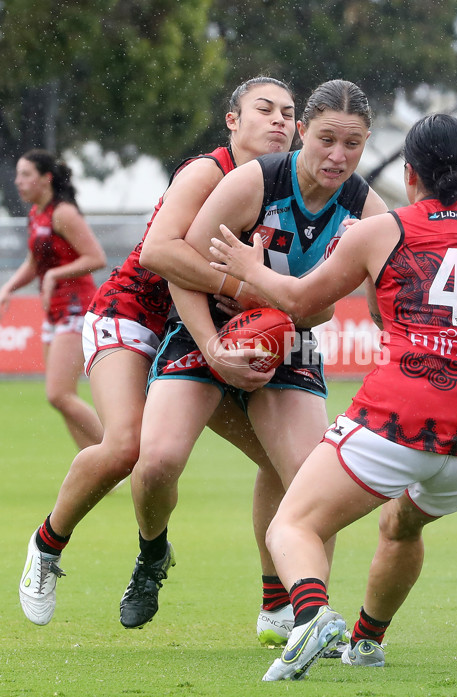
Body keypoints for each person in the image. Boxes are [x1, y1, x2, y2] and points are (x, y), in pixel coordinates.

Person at [208, 114, 457, 681]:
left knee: (292, 526)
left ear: (410, 174)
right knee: (402, 525)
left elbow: (298, 298)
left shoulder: (379, 230)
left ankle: (312, 616)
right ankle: (366, 643)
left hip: (400, 419)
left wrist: (249, 267)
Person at [17, 77, 297, 627]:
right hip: (132, 313)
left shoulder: (290, 188)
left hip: (198, 328)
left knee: (281, 462)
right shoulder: (206, 172)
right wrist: (247, 287)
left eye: (289, 113)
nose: (279, 121)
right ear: (233, 122)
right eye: (264, 110)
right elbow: (157, 255)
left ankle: (275, 605)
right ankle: (48, 547)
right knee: (126, 446)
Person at [118, 80, 388, 644]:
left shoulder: (366, 209)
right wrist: (215, 345)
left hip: (285, 340)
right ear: (301, 133)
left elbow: (330, 311)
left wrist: (294, 300)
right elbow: (177, 261)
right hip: (203, 331)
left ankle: (295, 614)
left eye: (354, 144)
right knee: (157, 462)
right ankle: (151, 553)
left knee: (310, 484)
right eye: (326, 139)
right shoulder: (255, 181)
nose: (338, 156)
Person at [0, 150, 105, 450]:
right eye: (18, 175)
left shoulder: (63, 213)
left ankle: (123, 448)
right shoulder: (37, 214)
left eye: (26, 174)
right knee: (61, 399)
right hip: (54, 311)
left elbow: (95, 257)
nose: (18, 182)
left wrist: (54, 275)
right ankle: (97, 472)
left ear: (46, 178)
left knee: (59, 394)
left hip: (76, 307)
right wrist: (9, 287)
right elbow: (35, 263)